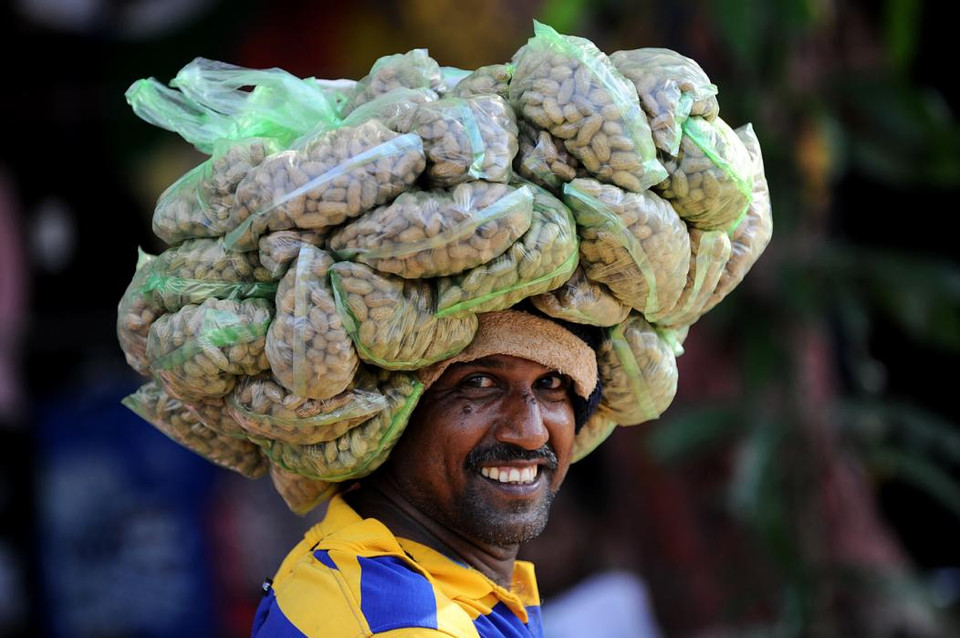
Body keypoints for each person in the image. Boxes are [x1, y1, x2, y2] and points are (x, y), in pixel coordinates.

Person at [250, 302, 605, 637]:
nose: (530, 432)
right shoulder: (404, 624)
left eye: (551, 384)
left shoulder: (366, 578)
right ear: (386, 417)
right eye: (478, 383)